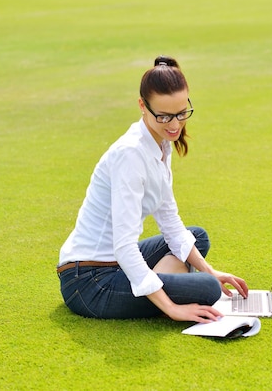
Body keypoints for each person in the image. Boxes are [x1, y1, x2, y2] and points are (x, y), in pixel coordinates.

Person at [57, 55, 248, 323]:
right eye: (164, 116)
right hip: (89, 281)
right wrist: (173, 308)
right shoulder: (130, 155)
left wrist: (211, 270)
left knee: (197, 238)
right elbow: (124, 246)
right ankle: (158, 291)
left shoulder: (160, 143)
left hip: (117, 265)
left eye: (182, 113)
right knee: (206, 289)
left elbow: (169, 220)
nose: (174, 125)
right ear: (142, 106)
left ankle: (153, 287)